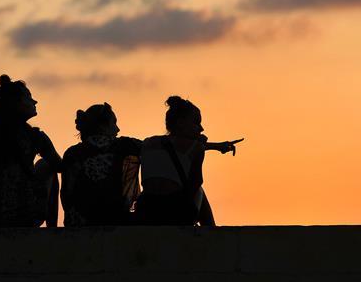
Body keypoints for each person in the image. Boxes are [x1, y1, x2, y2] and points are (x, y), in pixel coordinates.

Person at [136, 95, 242, 226]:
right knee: (200, 190)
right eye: (196, 122)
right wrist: (203, 149)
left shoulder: (148, 143)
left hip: (145, 212)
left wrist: (214, 146)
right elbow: (195, 184)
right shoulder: (196, 148)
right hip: (175, 214)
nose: (201, 128)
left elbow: (175, 148)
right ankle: (213, 234)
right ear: (181, 123)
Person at [0, 75, 61, 227]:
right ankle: (53, 232)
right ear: (15, 104)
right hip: (24, 215)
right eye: (28, 97)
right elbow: (60, 166)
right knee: (46, 165)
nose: (34, 102)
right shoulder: (34, 136)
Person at [60, 102, 142, 226]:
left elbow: (67, 195)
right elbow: (152, 148)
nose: (117, 129)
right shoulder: (125, 145)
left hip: (80, 224)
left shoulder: (72, 153)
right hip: (115, 220)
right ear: (102, 126)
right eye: (114, 123)